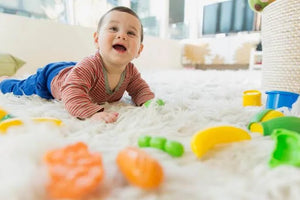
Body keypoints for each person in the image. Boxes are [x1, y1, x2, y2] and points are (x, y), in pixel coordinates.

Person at [0, 6, 154, 123]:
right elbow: (72, 91)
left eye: (131, 33)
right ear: (96, 40)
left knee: (78, 72)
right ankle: (5, 81)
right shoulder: (90, 66)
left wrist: (149, 103)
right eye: (113, 28)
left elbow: (140, 89)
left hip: (74, 69)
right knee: (21, 88)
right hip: (50, 77)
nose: (121, 35)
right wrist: (92, 113)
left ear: (139, 50)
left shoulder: (130, 71)